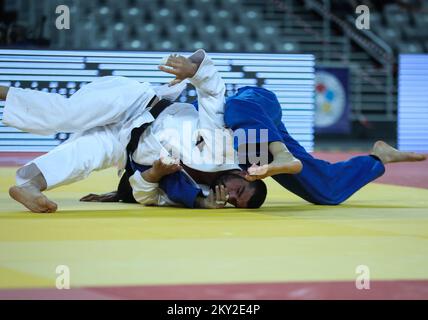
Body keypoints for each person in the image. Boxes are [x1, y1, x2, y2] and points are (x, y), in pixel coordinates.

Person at [0, 50, 273, 213]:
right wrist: (195, 70)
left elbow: (145, 195)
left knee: (79, 159)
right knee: (65, 115)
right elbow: (214, 95)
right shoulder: (223, 147)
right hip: (137, 104)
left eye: (236, 202)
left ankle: (29, 187)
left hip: (123, 145)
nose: (231, 195)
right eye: (240, 189)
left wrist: (157, 174)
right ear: (243, 174)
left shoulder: (192, 193)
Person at [223, 86, 426, 205]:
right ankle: (380, 156)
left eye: (236, 192)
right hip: (254, 141)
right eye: (232, 200)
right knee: (327, 191)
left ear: (242, 176)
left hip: (251, 99)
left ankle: (282, 154)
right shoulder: (247, 165)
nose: (228, 195)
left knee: (238, 109)